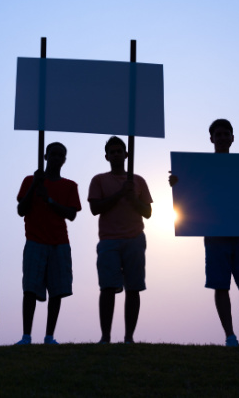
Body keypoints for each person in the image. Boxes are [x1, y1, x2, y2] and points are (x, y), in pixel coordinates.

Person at [169, 119, 239, 348]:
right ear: (211, 139)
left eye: (225, 133)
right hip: (215, 235)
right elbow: (191, 194)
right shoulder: (199, 167)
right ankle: (230, 336)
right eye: (217, 134)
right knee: (221, 286)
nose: (221, 137)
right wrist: (177, 183)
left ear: (232, 137)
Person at [15, 142, 82, 345]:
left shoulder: (70, 185)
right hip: (34, 240)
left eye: (60, 155)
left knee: (56, 291)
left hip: (59, 242)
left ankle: (49, 336)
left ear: (64, 160)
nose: (56, 158)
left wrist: (50, 200)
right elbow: (21, 210)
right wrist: (36, 185)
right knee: (30, 289)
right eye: (53, 154)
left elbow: (71, 214)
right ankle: (26, 336)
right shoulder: (30, 181)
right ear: (45, 156)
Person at [88, 136, 153, 344]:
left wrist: (132, 197)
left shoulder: (139, 180)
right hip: (109, 240)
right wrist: (120, 194)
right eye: (112, 151)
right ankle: (105, 336)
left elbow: (148, 212)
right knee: (108, 288)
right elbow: (95, 208)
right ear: (106, 156)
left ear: (126, 154)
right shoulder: (99, 180)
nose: (116, 154)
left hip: (135, 238)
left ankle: (129, 337)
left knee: (133, 288)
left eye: (119, 151)